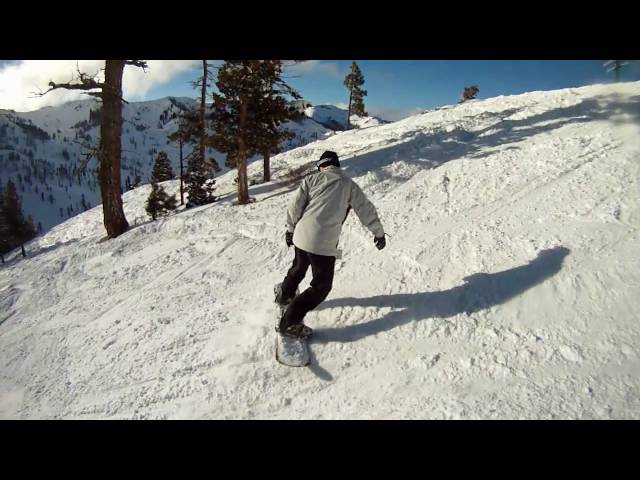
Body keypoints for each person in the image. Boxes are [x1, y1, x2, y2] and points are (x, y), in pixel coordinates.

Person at [275, 150, 386, 339]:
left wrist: (290, 229)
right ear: (337, 166)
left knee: (299, 266)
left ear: (322, 165)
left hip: (302, 234)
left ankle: (285, 294)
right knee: (321, 286)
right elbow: (365, 209)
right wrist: (378, 233)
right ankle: (289, 322)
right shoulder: (349, 185)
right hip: (323, 242)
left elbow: (294, 206)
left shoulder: (312, 180)